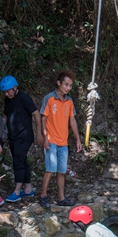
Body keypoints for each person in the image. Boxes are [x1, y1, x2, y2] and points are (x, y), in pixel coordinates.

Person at [39, 70, 83, 208]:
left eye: (70, 86)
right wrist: (45, 137)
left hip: (63, 142)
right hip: (51, 140)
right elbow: (43, 118)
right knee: (50, 169)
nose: (68, 88)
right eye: (66, 84)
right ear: (59, 83)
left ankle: (61, 198)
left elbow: (72, 120)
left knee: (62, 171)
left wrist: (77, 139)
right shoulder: (49, 99)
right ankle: (43, 196)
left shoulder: (69, 101)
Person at [0, 75, 41, 202]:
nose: (6, 94)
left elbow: (36, 113)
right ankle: (28, 189)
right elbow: (6, 116)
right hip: (13, 136)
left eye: (8, 91)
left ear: (15, 88)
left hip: (24, 136)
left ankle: (17, 191)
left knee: (18, 162)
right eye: (4, 92)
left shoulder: (24, 98)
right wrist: (0, 129)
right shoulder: (8, 100)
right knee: (22, 161)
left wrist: (39, 133)